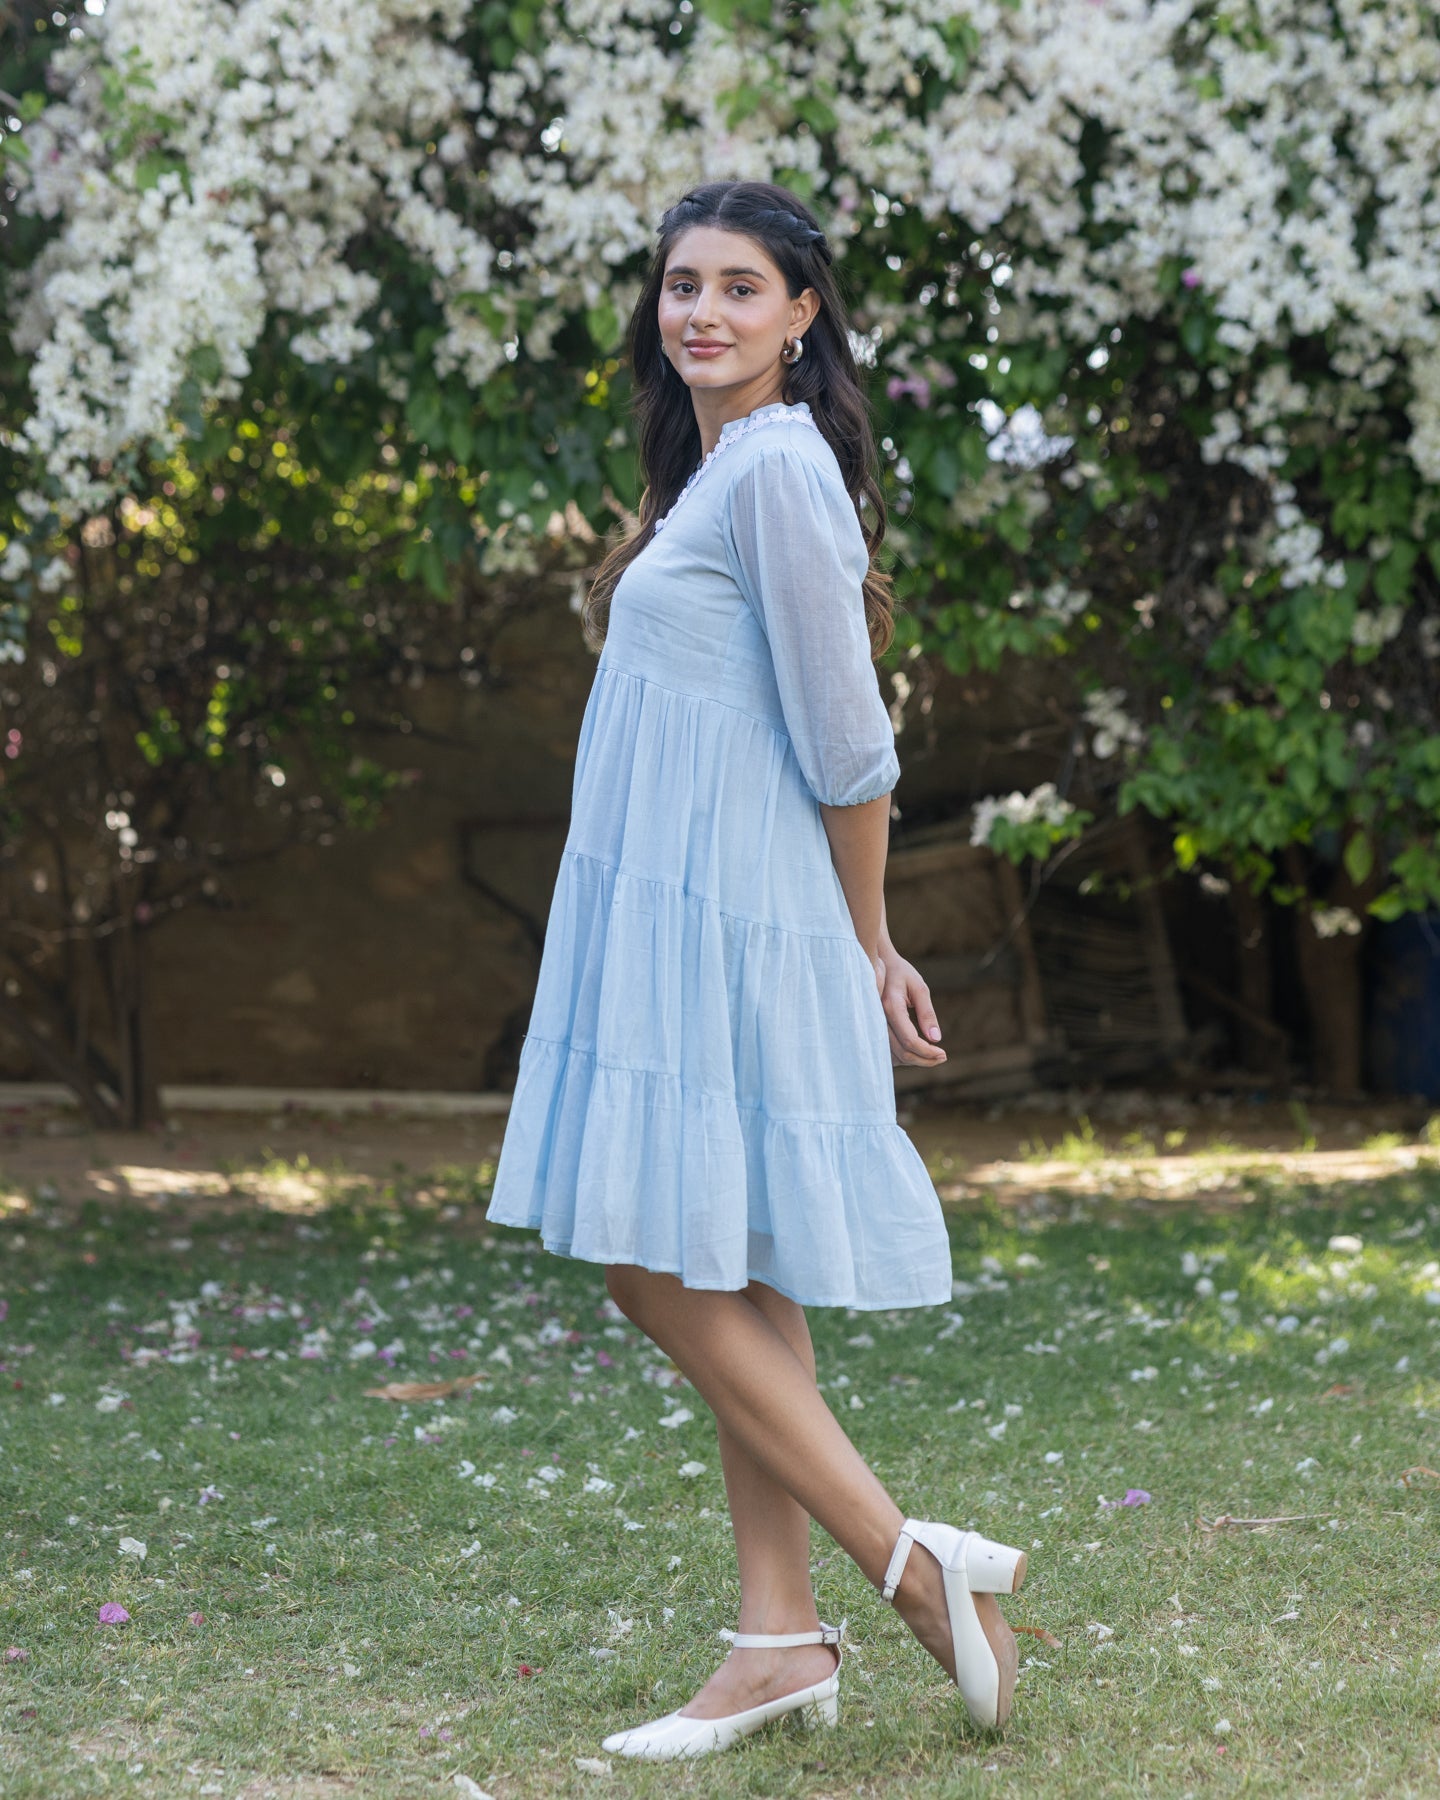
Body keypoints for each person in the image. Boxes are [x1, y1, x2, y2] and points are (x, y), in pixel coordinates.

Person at [485, 179, 1027, 1760]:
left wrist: (869, 942)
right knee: (723, 1250)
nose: (702, 311)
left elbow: (851, 740)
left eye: (739, 287)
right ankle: (776, 1640)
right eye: (679, 286)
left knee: (652, 1253)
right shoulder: (719, 473)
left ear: (804, 315)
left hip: (735, 905)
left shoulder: (781, 473)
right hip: (675, 898)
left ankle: (910, 1564)